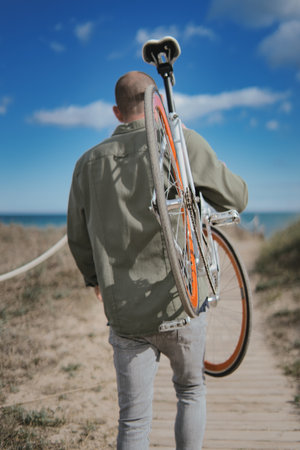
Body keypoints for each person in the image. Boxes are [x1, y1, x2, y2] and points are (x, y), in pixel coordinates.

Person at [67, 71, 248, 449]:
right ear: (158, 106)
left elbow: (78, 237)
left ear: (117, 111)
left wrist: (93, 279)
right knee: (191, 391)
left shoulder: (87, 164)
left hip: (126, 313)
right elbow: (237, 198)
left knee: (133, 421)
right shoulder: (180, 144)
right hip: (181, 302)